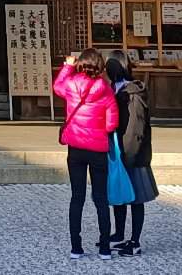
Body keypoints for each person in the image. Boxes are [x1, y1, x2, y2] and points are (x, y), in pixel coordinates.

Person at [52, 48, 120, 260]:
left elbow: (57, 87)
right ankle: (105, 248)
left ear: (81, 64)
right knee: (101, 198)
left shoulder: (71, 84)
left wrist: (67, 66)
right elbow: (112, 124)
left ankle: (76, 247)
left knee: (77, 197)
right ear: (99, 66)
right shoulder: (106, 90)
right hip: (98, 149)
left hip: (76, 148)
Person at [106, 53, 156, 257]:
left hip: (133, 152)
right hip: (118, 149)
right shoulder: (114, 90)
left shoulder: (133, 93)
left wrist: (129, 154)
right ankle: (119, 234)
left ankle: (135, 241)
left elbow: (137, 128)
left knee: (136, 198)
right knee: (120, 195)